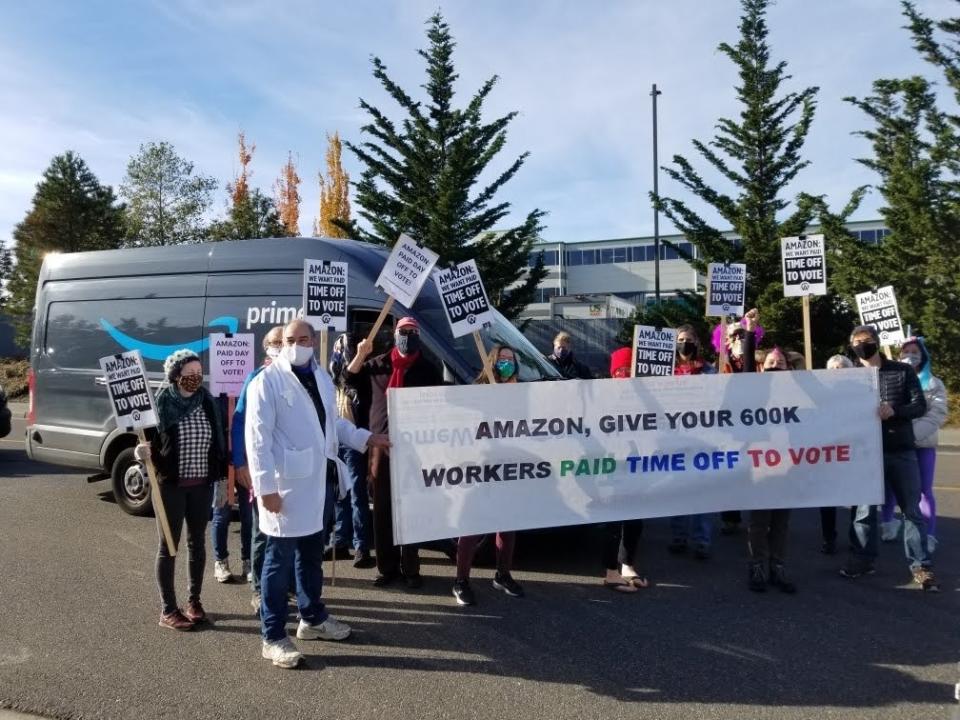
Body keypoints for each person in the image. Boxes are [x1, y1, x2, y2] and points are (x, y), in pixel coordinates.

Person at [246, 320, 390, 668]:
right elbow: (257, 439)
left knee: (312, 557)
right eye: (290, 340)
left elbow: (332, 424)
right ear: (281, 343)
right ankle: (273, 636)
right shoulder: (268, 381)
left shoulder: (322, 377)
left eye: (303, 339)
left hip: (319, 485)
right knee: (277, 565)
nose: (297, 345)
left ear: (313, 340)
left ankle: (312, 618)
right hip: (285, 488)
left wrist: (365, 437)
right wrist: (266, 489)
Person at [345, 315, 442, 589]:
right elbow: (347, 381)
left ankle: (411, 567)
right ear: (395, 333)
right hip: (382, 448)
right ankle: (386, 568)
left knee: (411, 509)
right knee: (383, 509)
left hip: (416, 449)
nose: (408, 335)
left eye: (413, 331)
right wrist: (360, 355)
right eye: (403, 331)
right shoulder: (376, 365)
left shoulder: (428, 369)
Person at [840, 325, 939, 592]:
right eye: (857, 342)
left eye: (868, 341)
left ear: (877, 341)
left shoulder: (902, 371)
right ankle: (863, 559)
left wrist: (894, 410)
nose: (863, 345)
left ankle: (920, 565)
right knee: (863, 512)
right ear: (852, 346)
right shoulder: (848, 378)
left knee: (911, 510)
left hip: (900, 449)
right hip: (864, 454)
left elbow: (919, 406)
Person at [135, 349, 228, 630]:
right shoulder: (159, 406)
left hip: (201, 485)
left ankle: (194, 601)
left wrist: (221, 477)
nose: (195, 379)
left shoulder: (208, 401)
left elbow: (218, 441)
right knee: (169, 547)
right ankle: (168, 609)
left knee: (197, 544)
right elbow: (147, 444)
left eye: (199, 374)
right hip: (171, 486)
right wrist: (140, 453)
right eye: (189, 374)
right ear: (175, 376)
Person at [452, 344, 525, 606]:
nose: (507, 364)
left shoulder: (523, 393)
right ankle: (461, 581)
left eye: (511, 360)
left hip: (509, 466)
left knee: (507, 525)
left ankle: (502, 575)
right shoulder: (479, 391)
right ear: (492, 362)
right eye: (503, 360)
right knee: (471, 526)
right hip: (481, 466)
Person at [230, 326, 283, 612]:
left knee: (289, 534)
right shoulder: (255, 379)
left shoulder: (296, 377)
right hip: (261, 470)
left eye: (282, 341)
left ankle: (284, 587)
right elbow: (239, 422)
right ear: (266, 347)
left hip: (289, 473)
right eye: (274, 342)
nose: (278, 346)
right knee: (262, 533)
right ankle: (259, 590)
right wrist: (240, 462)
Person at [880, 337, 948, 554]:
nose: (910, 354)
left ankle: (927, 535)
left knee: (924, 491)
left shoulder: (934, 384)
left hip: (921, 444)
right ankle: (888, 523)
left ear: (923, 355)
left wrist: (911, 435)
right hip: (894, 444)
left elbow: (937, 413)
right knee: (889, 487)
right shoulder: (892, 379)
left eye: (914, 351)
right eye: (905, 351)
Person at [746, 347, 796, 593]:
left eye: (780, 362)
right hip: (760, 465)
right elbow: (744, 366)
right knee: (759, 521)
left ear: (789, 367)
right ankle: (758, 565)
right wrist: (749, 335)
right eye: (770, 362)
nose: (775, 365)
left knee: (781, 521)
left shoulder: (797, 392)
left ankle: (778, 564)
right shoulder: (754, 391)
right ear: (761, 366)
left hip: (788, 464)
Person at [600, 347, 648, 593]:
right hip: (611, 466)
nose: (625, 374)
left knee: (634, 519)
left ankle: (628, 565)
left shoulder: (644, 399)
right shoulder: (605, 398)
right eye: (620, 370)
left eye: (630, 369)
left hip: (636, 465)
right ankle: (610, 572)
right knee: (612, 521)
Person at [327, 333, 375, 569]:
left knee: (357, 494)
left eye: (341, 351)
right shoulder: (328, 380)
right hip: (335, 441)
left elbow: (349, 376)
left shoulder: (359, 375)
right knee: (340, 493)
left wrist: (360, 354)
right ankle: (340, 540)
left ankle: (361, 546)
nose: (338, 355)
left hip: (355, 440)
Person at [669, 324, 716, 559]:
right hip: (675, 439)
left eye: (688, 339)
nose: (684, 343)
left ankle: (701, 541)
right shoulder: (667, 371)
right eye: (680, 339)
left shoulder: (709, 372)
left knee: (702, 492)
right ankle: (678, 536)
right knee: (678, 490)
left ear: (696, 343)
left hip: (703, 440)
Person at [714, 309, 760, 534]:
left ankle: (758, 517)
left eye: (742, 335)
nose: (738, 339)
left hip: (757, 429)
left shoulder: (762, 363)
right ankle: (730, 518)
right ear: (725, 342)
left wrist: (749, 332)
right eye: (733, 336)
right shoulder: (720, 367)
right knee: (730, 474)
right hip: (729, 431)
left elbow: (751, 374)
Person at [819, 354, 855, 555]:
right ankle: (828, 538)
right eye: (833, 368)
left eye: (842, 367)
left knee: (857, 499)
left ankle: (856, 537)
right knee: (828, 500)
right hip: (827, 453)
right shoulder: (820, 393)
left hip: (853, 452)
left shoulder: (861, 392)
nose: (837, 371)